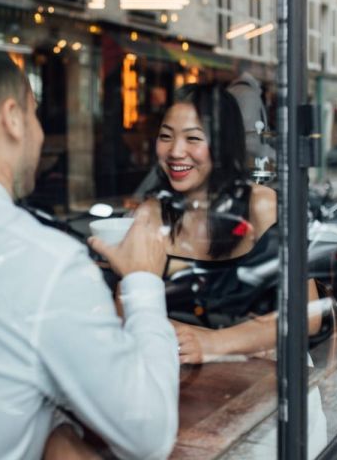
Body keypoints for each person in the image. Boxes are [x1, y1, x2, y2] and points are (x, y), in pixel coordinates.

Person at [0, 49, 179, 460]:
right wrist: (143, 280)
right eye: (36, 115)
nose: (39, 134)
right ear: (12, 118)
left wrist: (52, 425)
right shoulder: (42, 262)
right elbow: (150, 434)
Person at [136, 83, 323, 362]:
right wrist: (185, 337)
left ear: (223, 143)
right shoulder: (151, 212)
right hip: (177, 374)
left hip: (263, 378)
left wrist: (214, 341)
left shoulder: (263, 206)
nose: (175, 151)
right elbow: (125, 307)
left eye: (193, 138)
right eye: (166, 136)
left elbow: (309, 314)